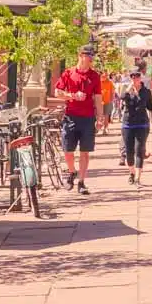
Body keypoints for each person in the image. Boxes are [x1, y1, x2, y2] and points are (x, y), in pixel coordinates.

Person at [53, 44, 102, 195]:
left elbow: (98, 99)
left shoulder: (94, 76)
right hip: (71, 117)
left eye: (91, 57)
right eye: (88, 56)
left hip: (87, 118)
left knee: (85, 152)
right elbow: (57, 92)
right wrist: (72, 96)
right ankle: (72, 171)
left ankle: (81, 182)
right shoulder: (68, 73)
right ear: (80, 56)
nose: (90, 59)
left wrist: (99, 118)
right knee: (68, 150)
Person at [122, 69, 152, 185]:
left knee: (139, 150)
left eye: (137, 76)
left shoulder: (146, 92)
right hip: (128, 124)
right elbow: (121, 97)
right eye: (133, 76)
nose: (135, 78)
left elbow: (150, 106)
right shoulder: (127, 90)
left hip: (142, 124)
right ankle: (131, 173)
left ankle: (137, 178)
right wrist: (128, 90)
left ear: (140, 78)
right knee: (129, 152)